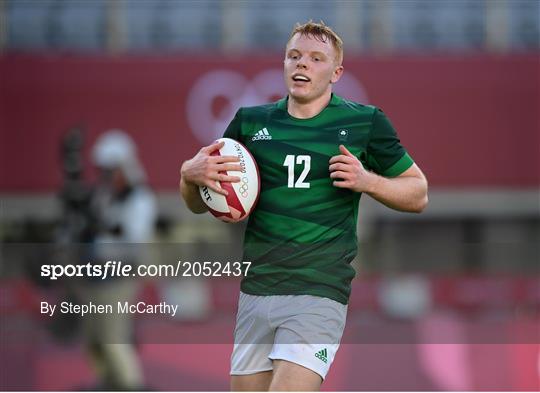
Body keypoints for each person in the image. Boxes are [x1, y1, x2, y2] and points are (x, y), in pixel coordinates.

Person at [180, 21, 428, 391]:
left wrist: (368, 181)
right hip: (256, 291)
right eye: (294, 56)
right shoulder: (250, 123)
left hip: (318, 291)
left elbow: (418, 192)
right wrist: (189, 176)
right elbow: (202, 205)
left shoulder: (365, 122)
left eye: (315, 58)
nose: (302, 65)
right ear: (283, 63)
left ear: (336, 73)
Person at [82, 130, 156, 390]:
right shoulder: (104, 196)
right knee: (95, 341)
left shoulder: (139, 199)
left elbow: (134, 242)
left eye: (110, 170)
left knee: (115, 341)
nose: (106, 176)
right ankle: (108, 384)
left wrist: (106, 228)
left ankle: (131, 386)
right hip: (94, 278)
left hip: (119, 279)